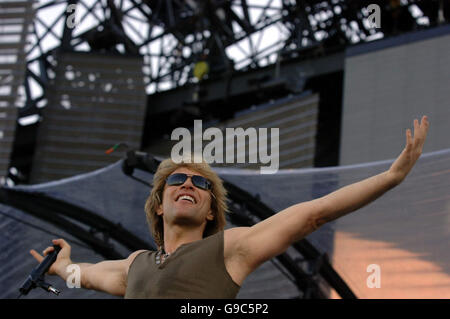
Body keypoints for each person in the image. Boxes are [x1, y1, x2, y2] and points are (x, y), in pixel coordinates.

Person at [30, 116, 429, 298]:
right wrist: (63, 265)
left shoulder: (230, 247)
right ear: (158, 205)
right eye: (177, 179)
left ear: (209, 212)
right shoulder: (135, 265)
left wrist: (390, 177)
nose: (188, 183)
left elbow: (315, 213)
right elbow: (87, 274)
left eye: (200, 183)